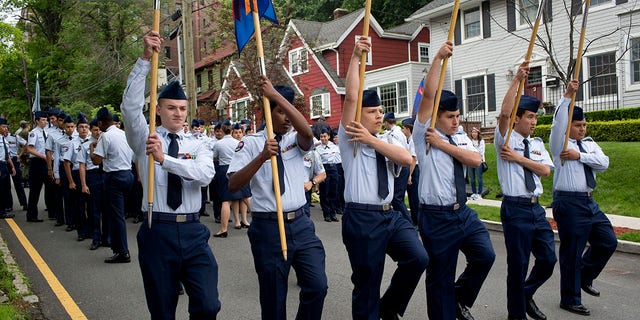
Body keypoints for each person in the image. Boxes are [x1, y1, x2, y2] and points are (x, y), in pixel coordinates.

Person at [121, 31, 220, 319]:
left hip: (192, 230)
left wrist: (165, 160)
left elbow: (204, 175)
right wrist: (144, 59)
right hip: (157, 229)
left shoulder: (198, 143)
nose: (178, 114)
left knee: (208, 304)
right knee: (162, 310)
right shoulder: (145, 138)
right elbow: (128, 108)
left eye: (182, 109)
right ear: (158, 109)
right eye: (171, 108)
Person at [340, 37, 428, 320]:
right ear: (358, 116)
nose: (379, 116)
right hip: (362, 218)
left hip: (390, 216)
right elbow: (351, 96)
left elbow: (406, 159)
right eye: (372, 112)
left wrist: (373, 139)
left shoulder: (388, 138)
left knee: (417, 258)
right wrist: (355, 56)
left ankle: (388, 309)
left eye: (380, 112)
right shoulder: (350, 138)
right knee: (367, 283)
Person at [228, 77, 327, 320]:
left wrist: (276, 94)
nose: (286, 118)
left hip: (302, 224)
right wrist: (261, 157)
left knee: (317, 285)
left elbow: (307, 133)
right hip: (268, 227)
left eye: (289, 112)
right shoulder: (250, 143)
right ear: (267, 113)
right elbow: (232, 184)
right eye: (280, 112)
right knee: (274, 300)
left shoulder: (297, 139)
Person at [413, 41, 496, 320]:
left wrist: (444, 144)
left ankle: (460, 299)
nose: (457, 122)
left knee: (485, 255)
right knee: (440, 278)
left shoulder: (456, 137)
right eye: (450, 117)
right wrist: (437, 58)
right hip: (436, 217)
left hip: (463, 213)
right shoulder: (423, 134)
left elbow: (475, 161)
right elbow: (428, 97)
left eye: (458, 116)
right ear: (434, 117)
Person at [549, 79, 617, 316]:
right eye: (578, 125)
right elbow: (558, 123)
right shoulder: (560, 145)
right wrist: (567, 96)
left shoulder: (586, 145)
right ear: (569, 126)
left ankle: (585, 276)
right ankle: (569, 299)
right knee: (572, 251)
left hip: (589, 201)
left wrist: (580, 156)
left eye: (584, 125)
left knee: (608, 241)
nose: (582, 129)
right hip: (569, 202)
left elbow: (604, 163)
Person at [495, 61, 557, 320]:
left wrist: (520, 159)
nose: (533, 121)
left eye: (535, 117)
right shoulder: (505, 139)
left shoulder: (537, 144)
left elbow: (545, 171)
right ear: (518, 119)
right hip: (516, 209)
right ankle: (516, 314)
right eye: (530, 117)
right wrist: (517, 81)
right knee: (518, 265)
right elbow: (504, 114)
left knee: (548, 260)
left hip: (535, 209)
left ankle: (525, 294)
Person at [91, 106, 134, 264]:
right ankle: (118, 247)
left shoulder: (105, 136)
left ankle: (122, 251)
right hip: (128, 174)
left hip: (114, 177)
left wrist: (92, 149)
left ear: (102, 123)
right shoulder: (123, 134)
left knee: (116, 217)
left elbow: (97, 160)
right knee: (119, 215)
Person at [212, 123, 248, 237]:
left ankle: (224, 229)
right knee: (246, 196)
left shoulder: (218, 143)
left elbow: (215, 156)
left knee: (226, 201)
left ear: (222, 130)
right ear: (231, 130)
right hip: (238, 169)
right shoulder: (238, 143)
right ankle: (260, 222)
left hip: (224, 169)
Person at [81, 119, 108, 250]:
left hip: (105, 174)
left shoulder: (107, 141)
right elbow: (82, 165)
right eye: (95, 130)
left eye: (99, 129)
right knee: (94, 209)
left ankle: (107, 237)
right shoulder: (86, 145)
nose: (97, 132)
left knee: (107, 208)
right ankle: (96, 238)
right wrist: (83, 184)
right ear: (91, 130)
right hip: (92, 175)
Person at [63, 114, 91, 241]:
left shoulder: (93, 141)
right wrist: (71, 181)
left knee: (91, 205)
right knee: (79, 205)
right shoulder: (72, 143)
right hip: (76, 174)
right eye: (81, 127)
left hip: (89, 174)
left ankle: (91, 230)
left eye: (86, 127)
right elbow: (67, 163)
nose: (84, 129)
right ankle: (81, 231)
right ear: (77, 129)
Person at [383, 112, 411, 222]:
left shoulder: (394, 134)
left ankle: (407, 221)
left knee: (397, 198)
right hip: (400, 166)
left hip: (400, 167)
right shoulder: (399, 132)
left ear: (386, 122)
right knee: (396, 197)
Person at [25, 111, 50, 222]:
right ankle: (31, 215)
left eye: (46, 120)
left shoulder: (47, 132)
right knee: (35, 190)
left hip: (46, 162)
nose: (45, 122)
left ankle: (52, 212)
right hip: (37, 162)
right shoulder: (33, 133)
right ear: (37, 121)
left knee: (50, 187)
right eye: (43, 120)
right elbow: (30, 148)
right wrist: (43, 156)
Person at [316, 127, 341, 222]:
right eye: (321, 137)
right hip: (324, 169)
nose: (323, 138)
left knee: (334, 191)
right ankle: (326, 213)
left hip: (334, 169)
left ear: (329, 136)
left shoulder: (334, 147)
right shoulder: (318, 149)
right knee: (324, 192)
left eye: (325, 136)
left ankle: (333, 213)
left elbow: (339, 159)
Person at [3, 120, 28, 212]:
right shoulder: (1, 138)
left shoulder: (14, 137)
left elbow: (25, 144)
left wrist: (20, 155)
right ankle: (9, 205)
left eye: (6, 130)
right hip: (5, 161)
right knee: (6, 185)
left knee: (18, 184)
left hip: (14, 159)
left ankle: (24, 203)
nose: (5, 132)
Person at [400, 117, 420, 226]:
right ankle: (414, 219)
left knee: (414, 197)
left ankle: (417, 221)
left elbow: (413, 159)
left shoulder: (413, 140)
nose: (402, 131)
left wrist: (410, 175)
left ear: (408, 128)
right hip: (413, 169)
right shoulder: (409, 140)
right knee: (412, 197)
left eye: (403, 128)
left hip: (414, 170)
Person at [0, 118, 17, 218]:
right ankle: (1, 211)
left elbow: (8, 155)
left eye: (6, 127)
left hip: (5, 165)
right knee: (1, 189)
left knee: (6, 188)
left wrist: (12, 167)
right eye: (3, 127)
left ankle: (5, 208)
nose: (5, 129)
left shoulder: (4, 140)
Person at [302, 147, 326, 217]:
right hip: (286, 193)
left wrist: (311, 183)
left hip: (303, 192)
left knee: (304, 220)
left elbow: (323, 174)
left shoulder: (312, 153)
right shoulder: (286, 151)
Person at [468, 127, 485, 200]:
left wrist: (473, 152)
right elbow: (468, 150)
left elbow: (481, 152)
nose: (473, 133)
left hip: (479, 161)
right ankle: (474, 192)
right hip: (470, 161)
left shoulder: (481, 141)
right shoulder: (469, 141)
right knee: (472, 178)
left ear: (478, 133)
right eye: (472, 132)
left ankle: (479, 193)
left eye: (475, 132)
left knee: (479, 177)